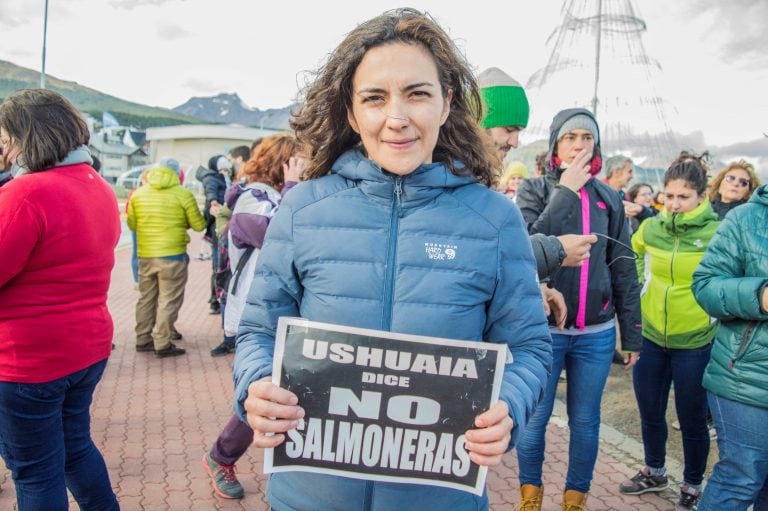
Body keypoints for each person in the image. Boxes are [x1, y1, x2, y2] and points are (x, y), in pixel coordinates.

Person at [232, 9, 552, 510]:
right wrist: (255, 386)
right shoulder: (303, 208)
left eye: (417, 93)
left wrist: (508, 405)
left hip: (439, 498)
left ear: (448, 103)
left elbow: (530, 346)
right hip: (309, 497)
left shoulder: (494, 220)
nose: (396, 117)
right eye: (375, 98)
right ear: (353, 113)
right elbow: (257, 331)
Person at [515, 108, 642, 510]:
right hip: (544, 330)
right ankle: (529, 496)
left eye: (587, 137)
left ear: (597, 146)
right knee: (535, 418)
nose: (579, 144)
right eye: (570, 137)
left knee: (585, 421)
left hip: (596, 334)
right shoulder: (534, 189)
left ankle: (575, 498)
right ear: (555, 145)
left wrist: (632, 333)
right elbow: (525, 249)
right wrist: (566, 191)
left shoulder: (609, 198)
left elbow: (623, 267)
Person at [0, 88, 120, 510]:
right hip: (85, 348)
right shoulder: (97, 185)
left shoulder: (24, 194)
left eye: (5, 137)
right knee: (75, 449)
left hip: (28, 359)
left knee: (34, 471)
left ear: (22, 137)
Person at [203, 133, 303, 498]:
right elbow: (279, 234)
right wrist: (294, 186)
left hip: (282, 309)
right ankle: (221, 456)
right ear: (283, 161)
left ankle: (222, 455)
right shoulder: (251, 197)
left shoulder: (276, 196)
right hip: (254, 313)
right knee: (263, 392)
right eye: (298, 160)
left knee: (278, 391)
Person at [619, 160, 719, 510]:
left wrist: (711, 312)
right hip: (650, 337)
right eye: (670, 195)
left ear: (702, 196)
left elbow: (725, 277)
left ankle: (693, 484)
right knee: (650, 411)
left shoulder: (716, 232)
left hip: (694, 341)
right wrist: (638, 293)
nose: (674, 203)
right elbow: (630, 257)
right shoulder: (650, 227)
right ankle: (655, 470)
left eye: (684, 197)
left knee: (692, 419)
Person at [692, 183, 768, 510]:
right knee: (742, 476)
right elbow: (706, 285)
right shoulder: (746, 219)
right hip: (745, 379)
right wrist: (760, 297)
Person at [127, 157, 206, 357]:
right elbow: (199, 225)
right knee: (168, 299)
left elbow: (132, 225)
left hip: (146, 255)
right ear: (177, 173)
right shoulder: (183, 194)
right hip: (173, 256)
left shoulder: (139, 194)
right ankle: (162, 342)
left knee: (146, 298)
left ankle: (142, 338)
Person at [196, 154, 230, 314]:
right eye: (223, 167)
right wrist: (213, 202)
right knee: (218, 264)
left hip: (226, 223)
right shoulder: (212, 178)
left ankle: (218, 298)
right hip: (217, 224)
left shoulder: (228, 178)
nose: (226, 170)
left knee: (222, 263)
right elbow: (211, 193)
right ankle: (215, 300)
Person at [477, 67, 529, 159]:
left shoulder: (473, 170)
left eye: (518, 132)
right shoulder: (450, 171)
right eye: (509, 129)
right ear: (477, 124)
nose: (515, 143)